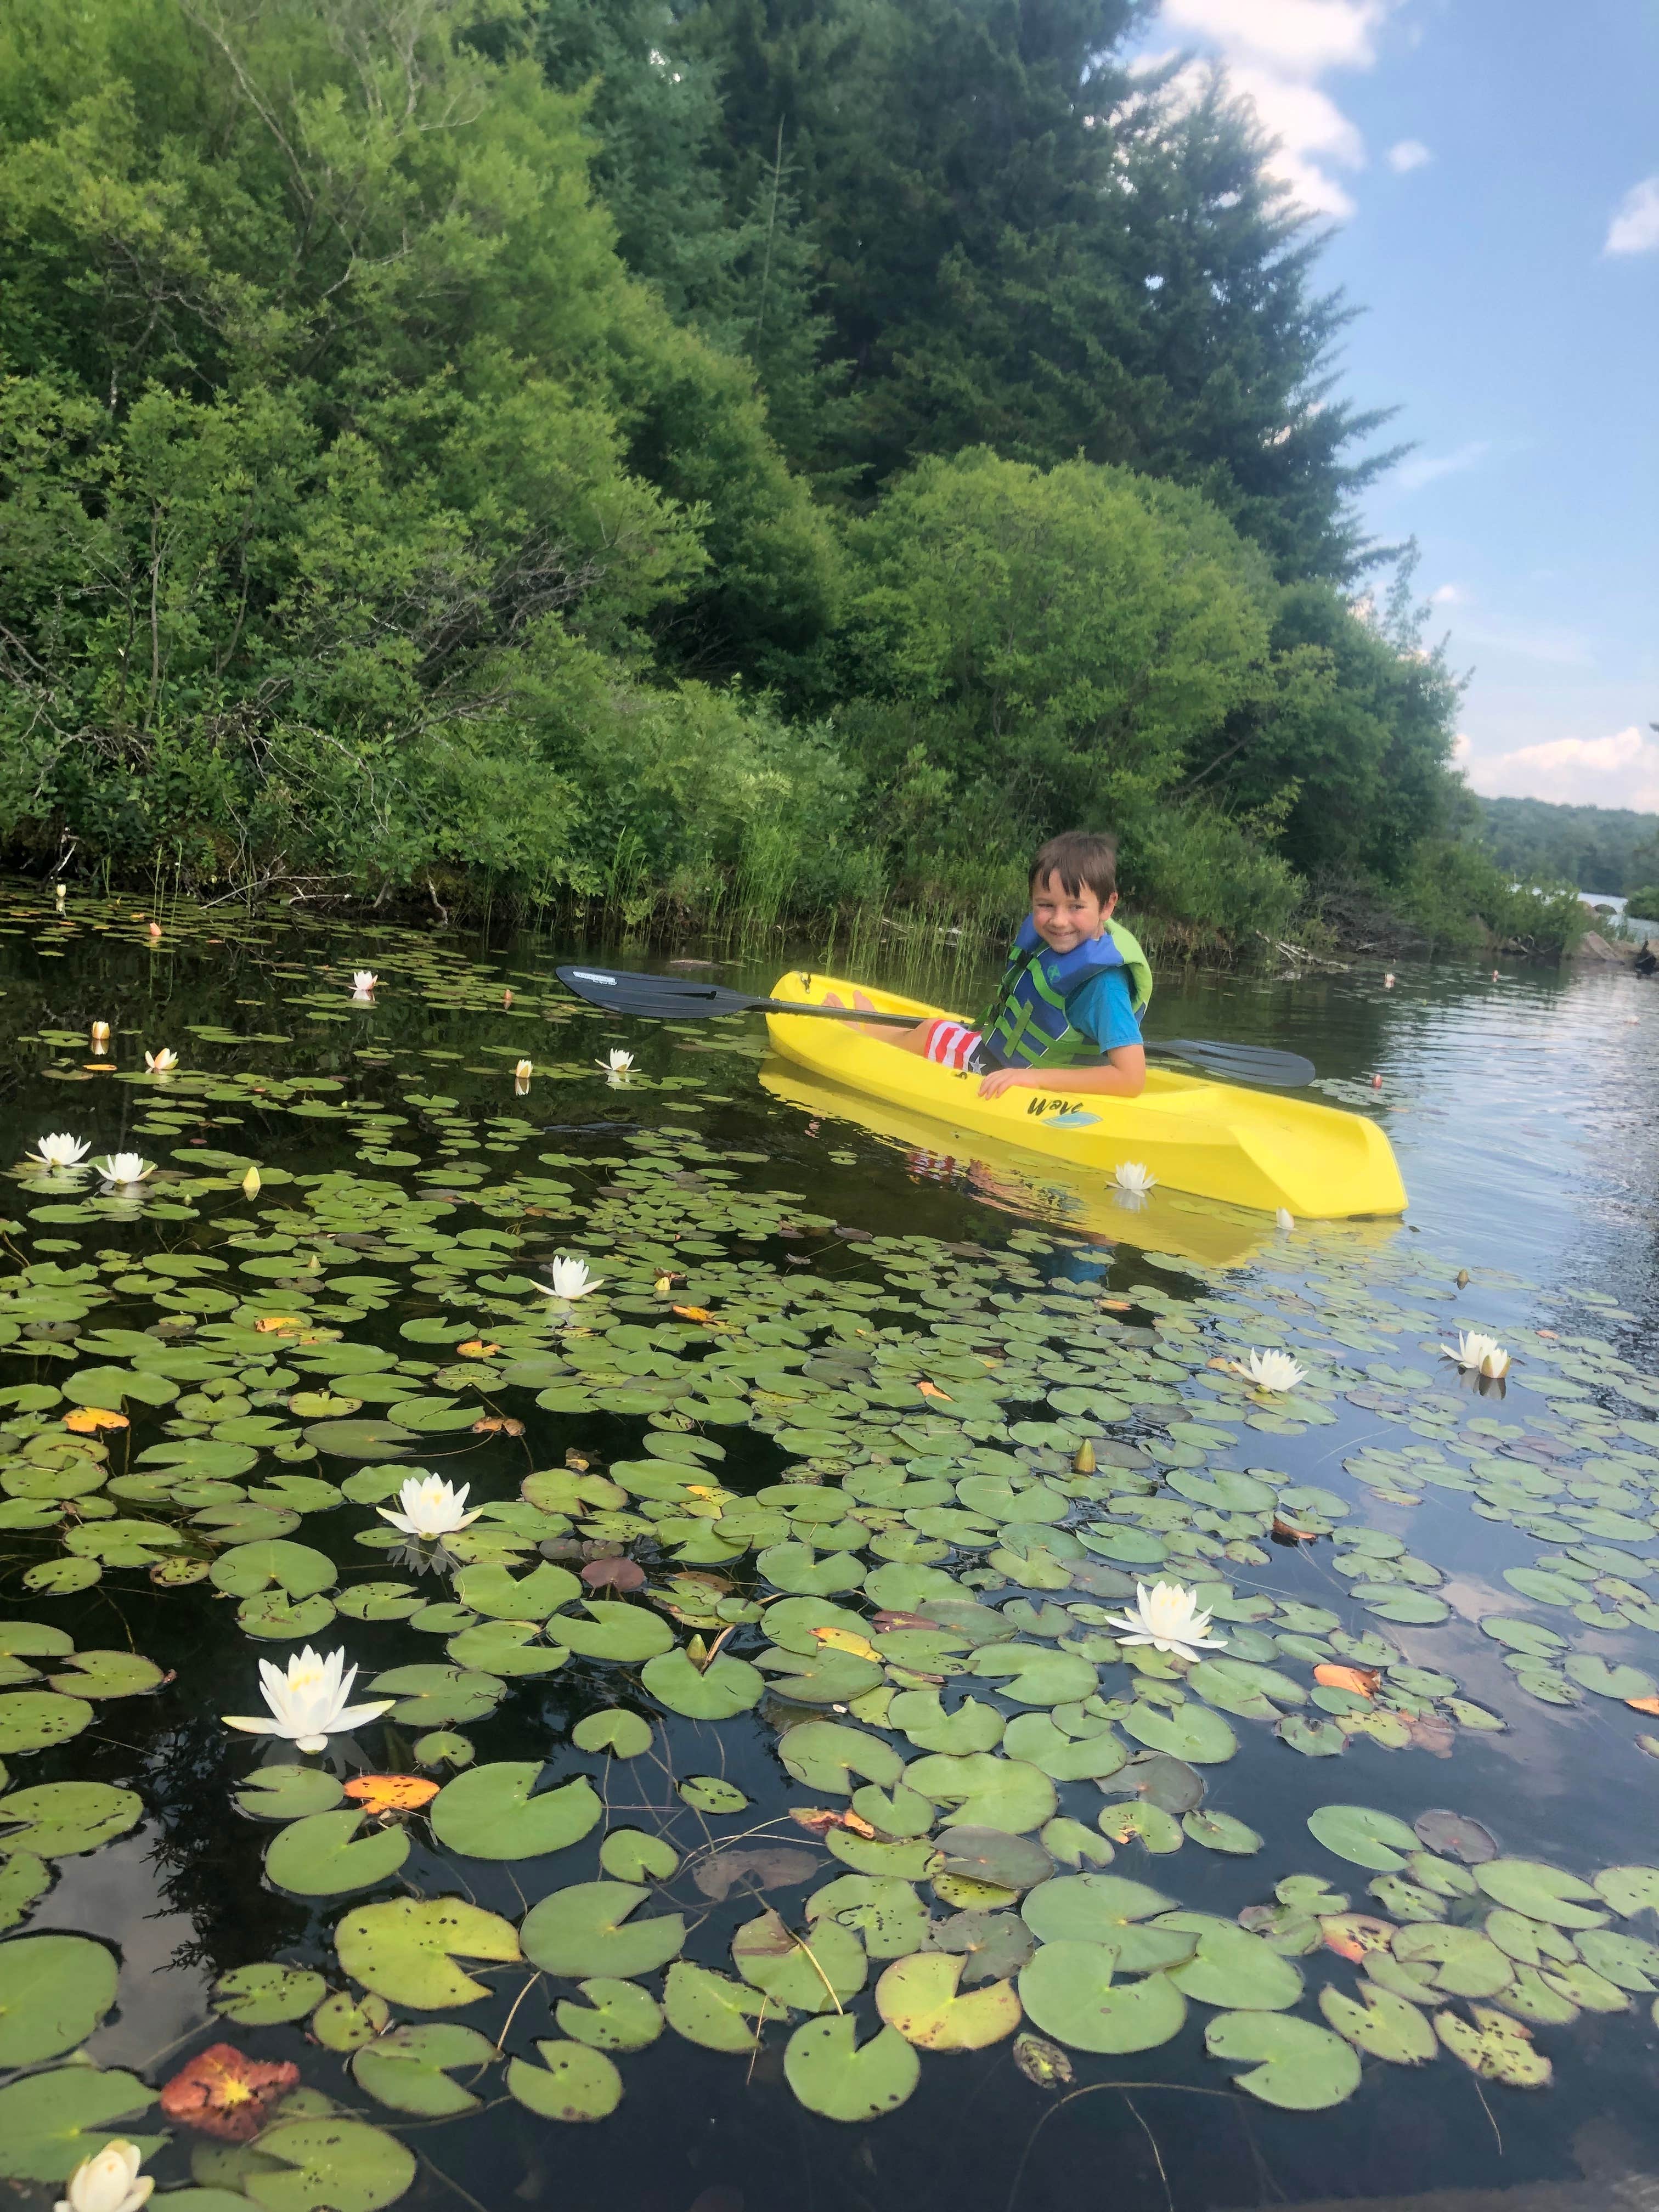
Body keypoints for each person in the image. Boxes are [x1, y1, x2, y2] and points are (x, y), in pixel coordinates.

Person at [845, 831, 1150, 1100]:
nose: (1059, 920)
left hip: (1020, 1081)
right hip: (1011, 1064)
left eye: (1075, 907)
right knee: (938, 1028)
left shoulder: (1103, 986)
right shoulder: (1066, 943)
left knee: (933, 1032)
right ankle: (880, 1030)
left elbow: (1131, 1079)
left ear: (1107, 905)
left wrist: (1033, 1080)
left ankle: (868, 1037)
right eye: (1046, 905)